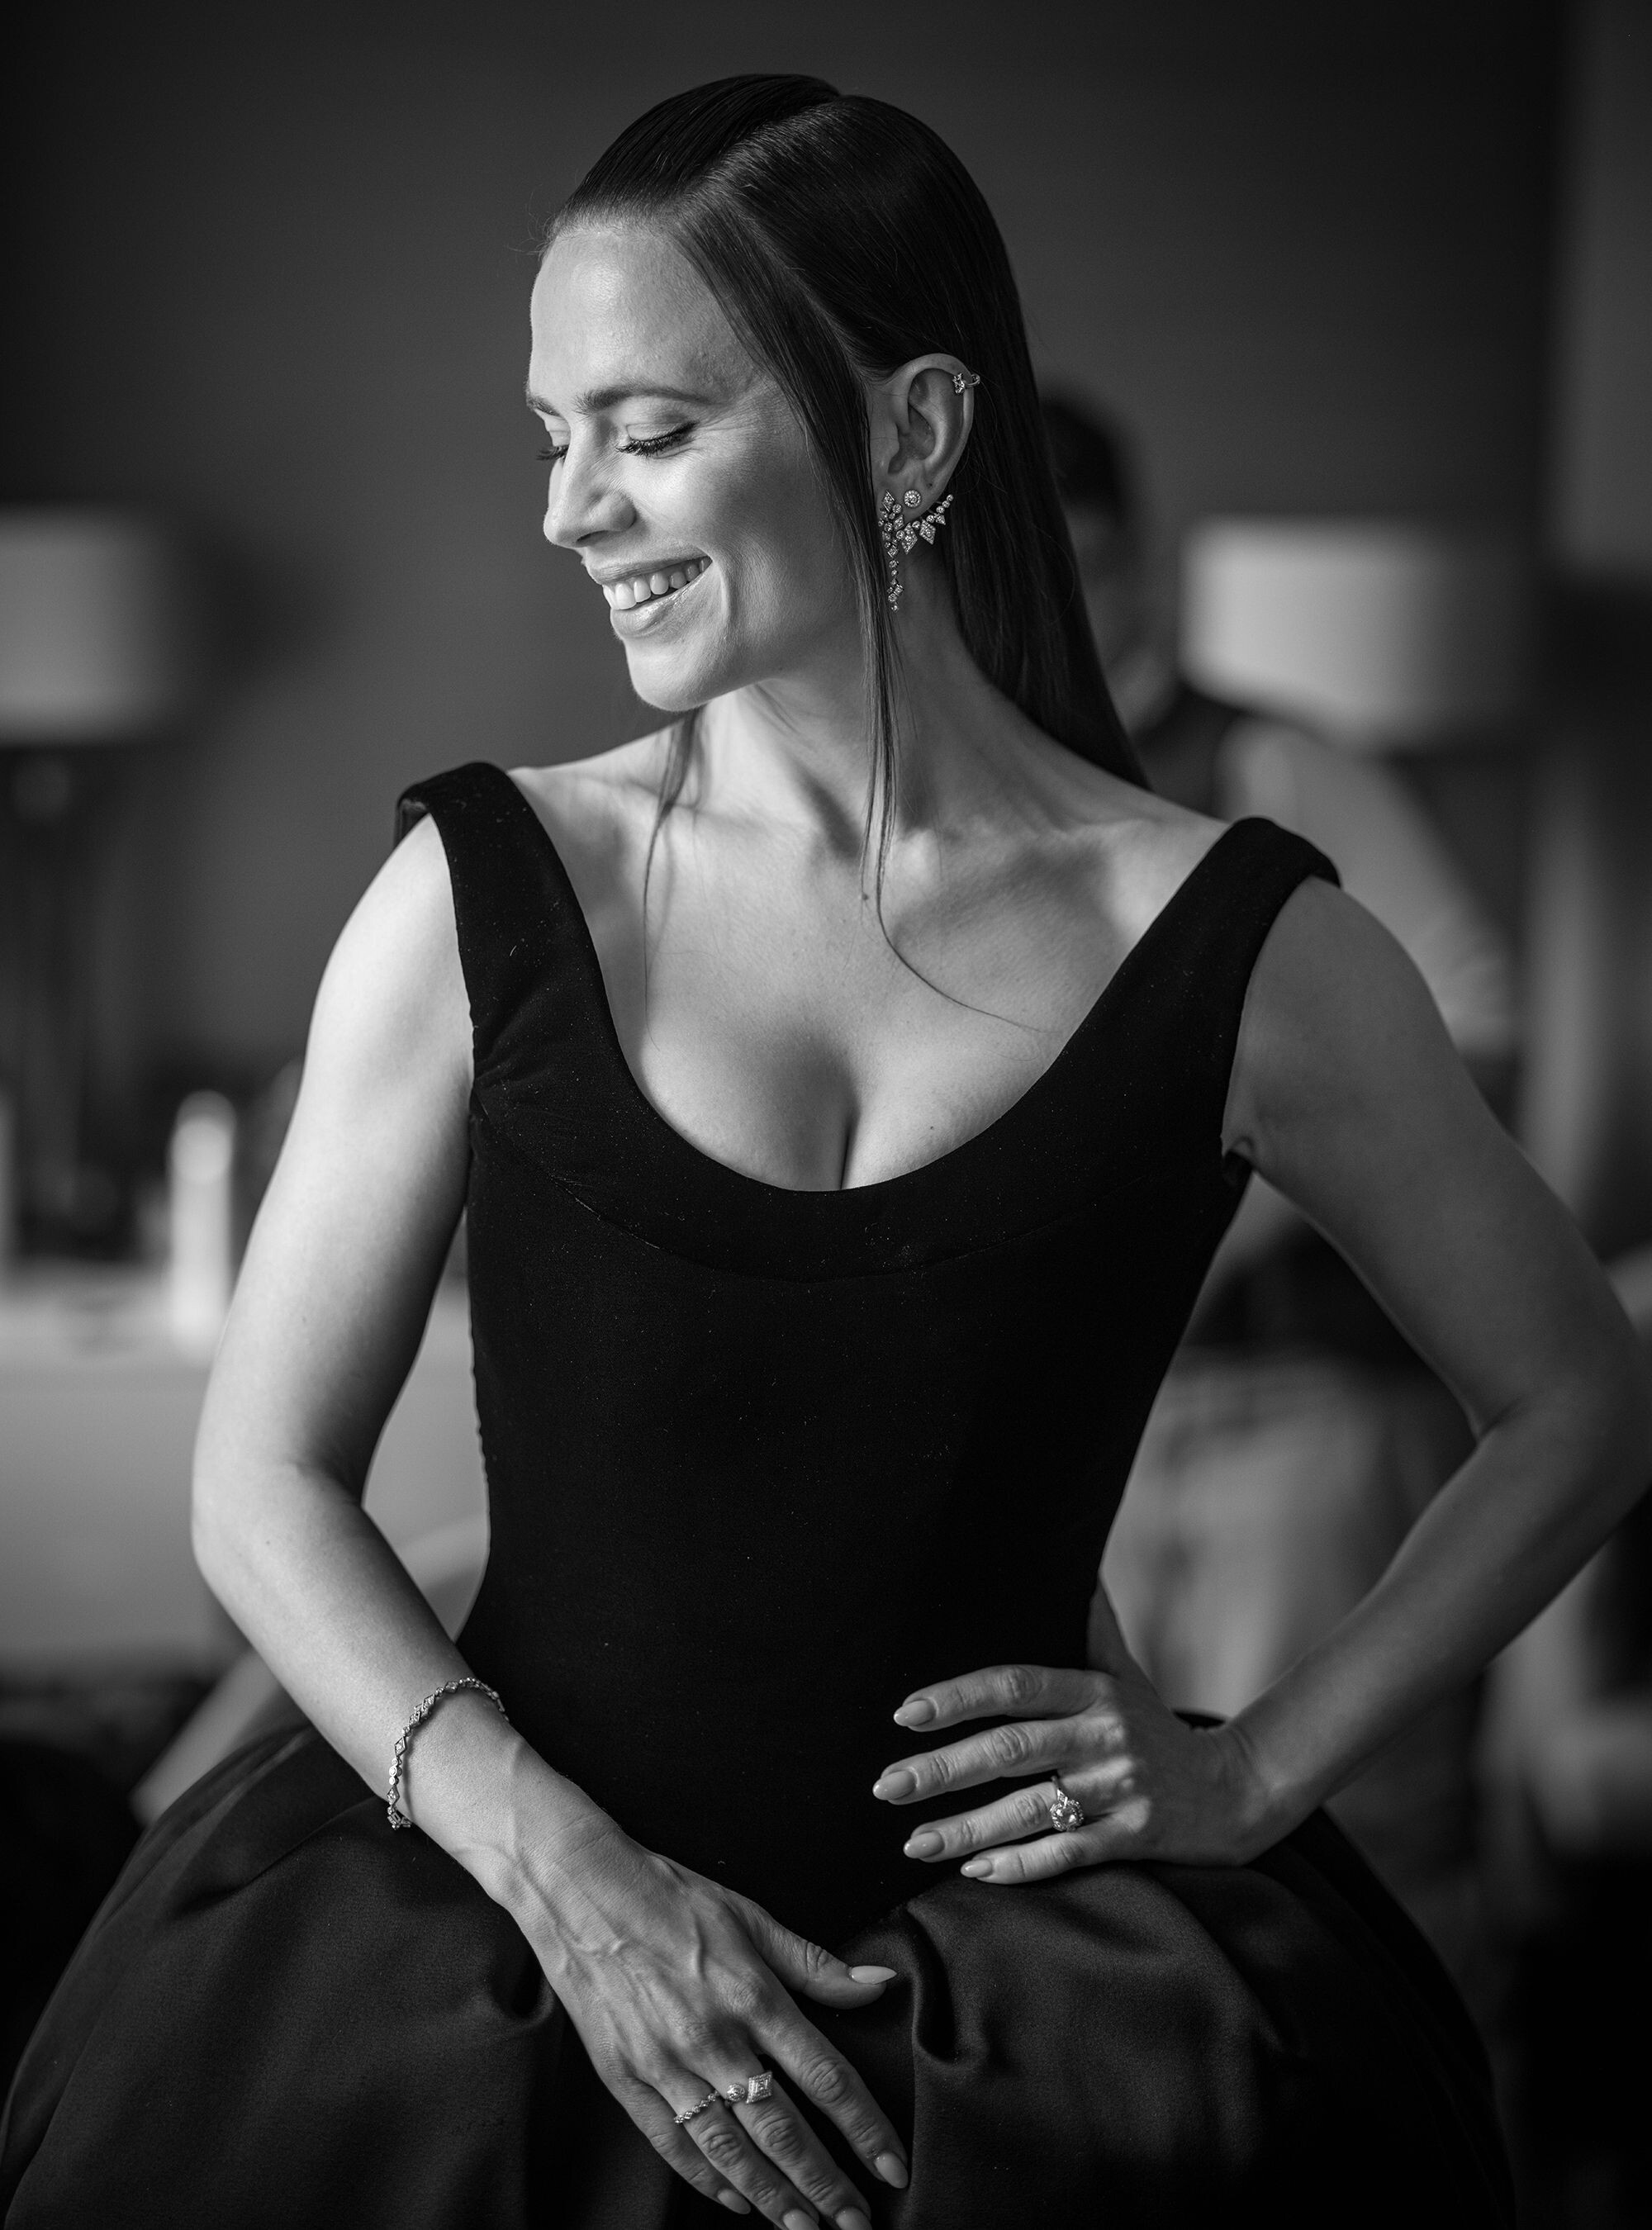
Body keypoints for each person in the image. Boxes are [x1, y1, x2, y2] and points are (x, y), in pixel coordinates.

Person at [2, 74, 1645, 2230]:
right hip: (484, 1966)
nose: (570, 509)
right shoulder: (479, 894)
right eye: (551, 434)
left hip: (1056, 2045)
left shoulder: (1249, 946)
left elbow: (1579, 1401)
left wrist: (1255, 1763)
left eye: (648, 428)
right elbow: (259, 1483)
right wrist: (564, 1876)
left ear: (912, 434)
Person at [1045, 393, 1521, 1953]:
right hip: (1098, 1436)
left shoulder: (1276, 764)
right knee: (1129, 1899)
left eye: (1091, 564)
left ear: (1142, 559)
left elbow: (1478, 1026)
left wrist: (1235, 1221)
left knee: (1358, 1859)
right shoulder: (994, 798)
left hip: (1300, 1411)